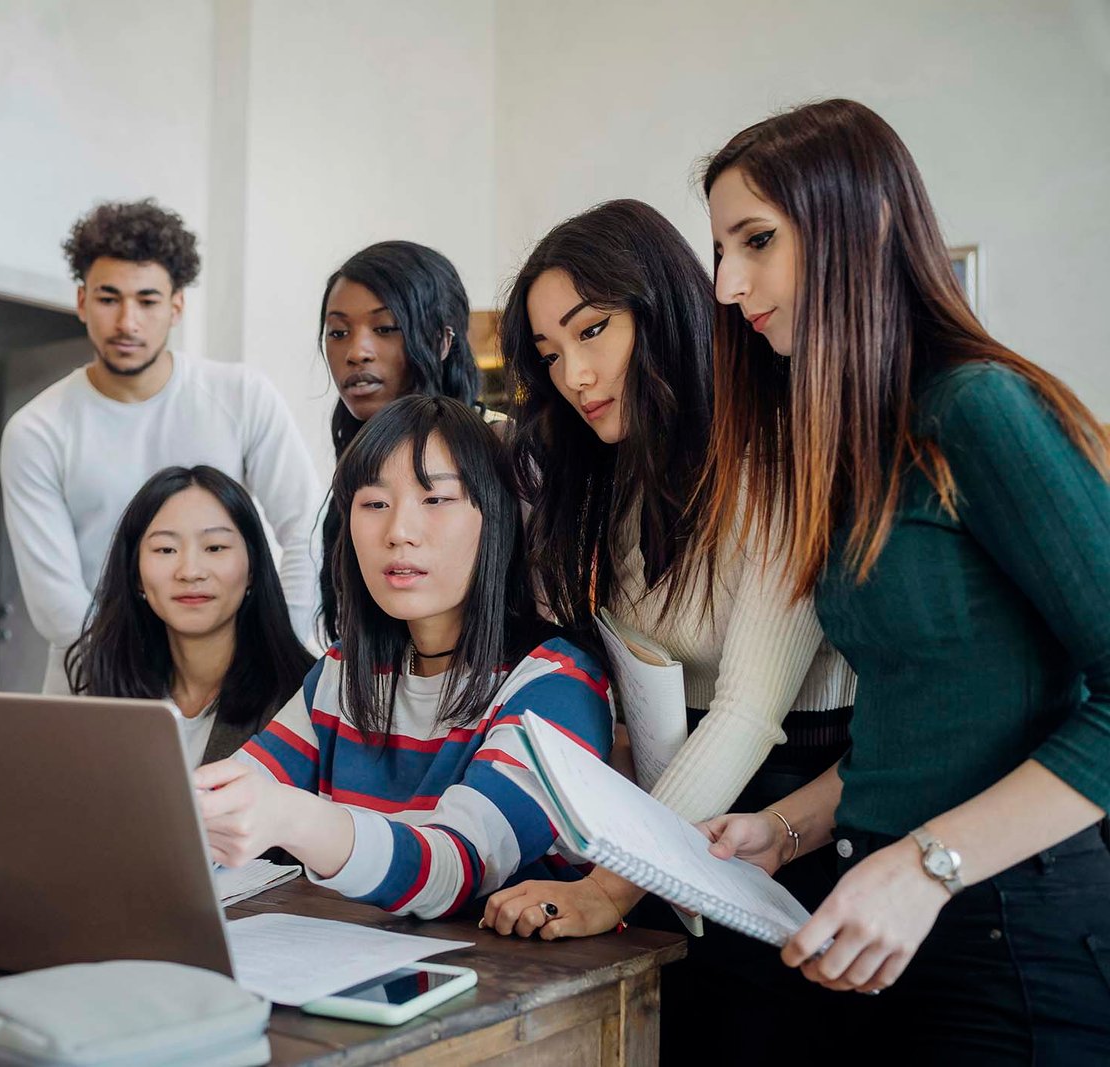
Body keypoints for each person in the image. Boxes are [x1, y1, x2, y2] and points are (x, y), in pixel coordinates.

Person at [694, 99, 1110, 1062]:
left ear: (862, 225)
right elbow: (923, 721)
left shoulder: (980, 408)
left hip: (1012, 937)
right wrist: (782, 830)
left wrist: (929, 867)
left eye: (756, 241)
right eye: (721, 251)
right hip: (882, 926)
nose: (727, 285)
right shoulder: (858, 451)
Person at [478, 201, 858, 1060]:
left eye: (593, 331)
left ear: (667, 307)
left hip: (787, 818)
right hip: (673, 808)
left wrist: (612, 887)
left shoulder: (775, 457)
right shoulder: (615, 474)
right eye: (549, 355)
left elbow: (750, 712)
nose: (574, 374)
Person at [195, 395, 612, 918]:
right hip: (347, 973)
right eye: (374, 504)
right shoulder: (344, 672)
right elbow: (239, 790)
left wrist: (291, 819)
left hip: (512, 985)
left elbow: (454, 867)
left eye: (435, 499)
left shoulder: (557, 685)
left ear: (497, 518)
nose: (398, 532)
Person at [2, 199, 321, 693]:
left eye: (147, 301)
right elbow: (55, 599)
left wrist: (284, 643)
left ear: (176, 306)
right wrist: (138, 675)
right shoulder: (37, 429)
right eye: (109, 299)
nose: (128, 322)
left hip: (239, 681)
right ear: (82, 302)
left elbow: (306, 527)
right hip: (95, 680)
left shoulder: (241, 396)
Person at [65, 465, 314, 767]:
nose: (190, 572)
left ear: (252, 569)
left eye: (215, 547)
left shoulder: (303, 698)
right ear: (136, 576)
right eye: (166, 549)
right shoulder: (108, 690)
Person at [316, 241, 502, 641]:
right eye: (338, 332)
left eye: (384, 329)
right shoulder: (354, 465)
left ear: (442, 340)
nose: (357, 352)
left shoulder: (506, 454)